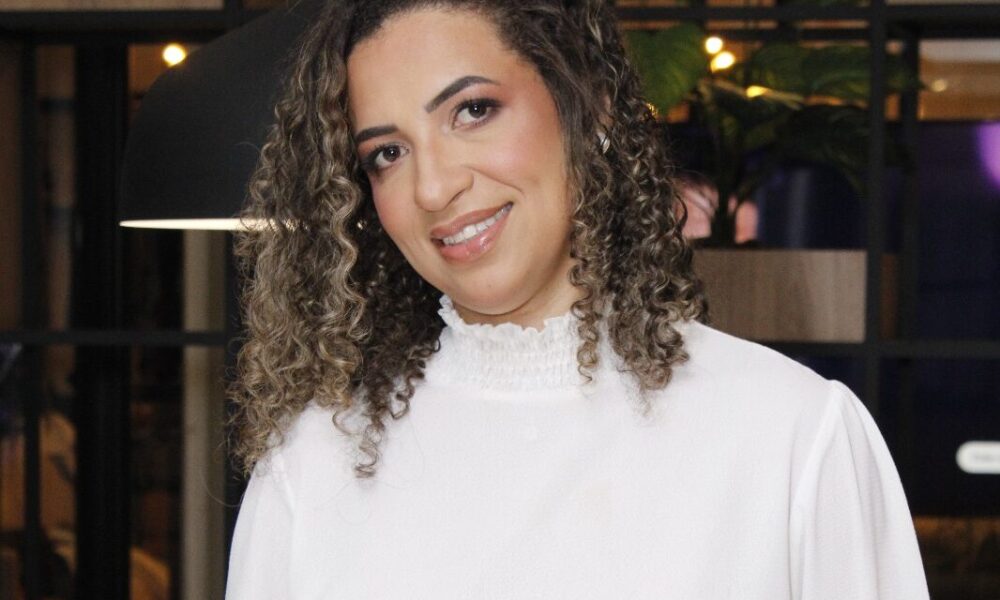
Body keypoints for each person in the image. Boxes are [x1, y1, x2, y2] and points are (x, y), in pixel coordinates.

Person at [225, 1, 930, 598]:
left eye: (473, 110)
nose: (433, 188)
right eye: (387, 152)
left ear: (588, 104)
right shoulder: (311, 464)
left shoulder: (790, 435)